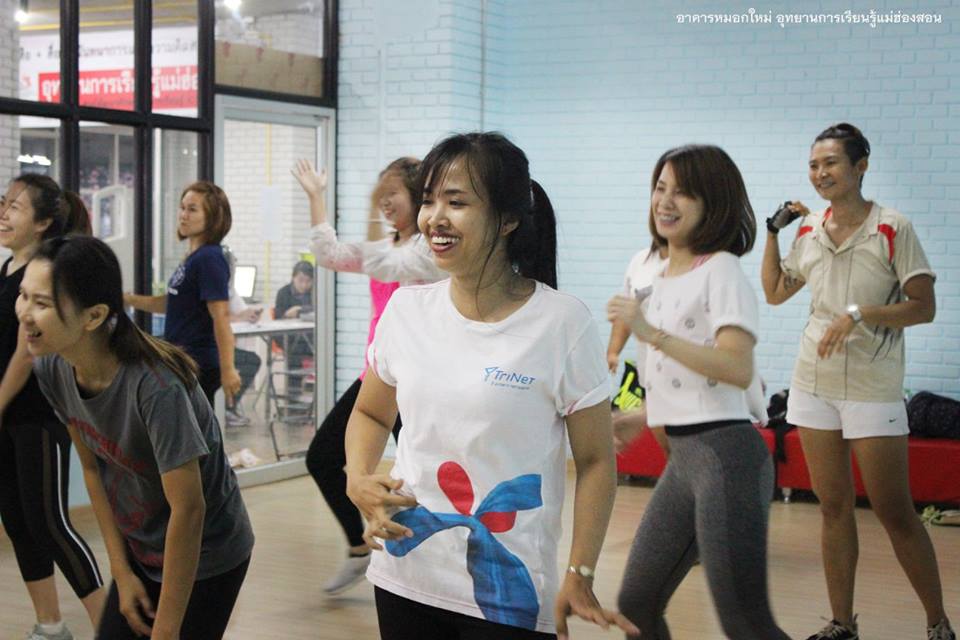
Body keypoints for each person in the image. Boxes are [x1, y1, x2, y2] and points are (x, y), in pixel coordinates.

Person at [345, 132, 638, 639]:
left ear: (507, 219)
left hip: (509, 589)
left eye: (456, 202)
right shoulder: (406, 310)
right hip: (406, 567)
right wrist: (357, 477)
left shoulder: (562, 324)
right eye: (429, 200)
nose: (434, 218)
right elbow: (371, 413)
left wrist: (581, 572)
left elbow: (595, 461)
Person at [761, 123, 954, 640]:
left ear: (860, 166)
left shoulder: (892, 228)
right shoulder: (809, 230)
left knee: (894, 511)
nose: (820, 173)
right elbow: (776, 291)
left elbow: (924, 307)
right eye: (813, 165)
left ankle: (938, 623)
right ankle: (842, 623)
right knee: (832, 507)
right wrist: (772, 233)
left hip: (872, 386)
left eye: (830, 163)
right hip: (813, 383)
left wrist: (860, 313)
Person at [18, 235, 255, 640]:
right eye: (24, 296)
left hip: (207, 555)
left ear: (93, 316)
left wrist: (166, 630)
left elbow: (189, 509)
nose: (24, 312)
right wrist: (122, 570)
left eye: (42, 303)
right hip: (141, 549)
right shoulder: (52, 368)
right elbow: (93, 469)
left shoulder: (156, 388)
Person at [608, 144, 789, 639]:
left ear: (713, 203)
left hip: (727, 458)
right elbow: (685, 381)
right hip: (686, 459)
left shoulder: (721, 269)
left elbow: (736, 367)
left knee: (745, 623)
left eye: (683, 192)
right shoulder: (658, 271)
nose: (665, 202)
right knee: (636, 606)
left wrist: (650, 333)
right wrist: (638, 416)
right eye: (660, 188)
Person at [294, 156, 446, 595]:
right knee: (322, 458)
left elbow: (386, 264)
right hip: (377, 378)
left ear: (416, 197)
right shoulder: (392, 246)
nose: (382, 202)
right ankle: (360, 547)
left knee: (427, 478)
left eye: (390, 193)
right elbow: (330, 255)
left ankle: (433, 567)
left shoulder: (426, 252)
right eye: (379, 195)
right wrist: (316, 196)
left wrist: (373, 225)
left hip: (417, 384)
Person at [0, 174, 105, 640]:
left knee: (50, 524)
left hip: (37, 416)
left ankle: (109, 627)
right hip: (8, 417)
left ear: (43, 223)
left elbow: (27, 353)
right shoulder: (8, 271)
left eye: (15, 206)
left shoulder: (44, 277)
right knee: (19, 522)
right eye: (4, 202)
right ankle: (50, 625)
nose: (4, 213)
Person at [124, 182, 241, 409]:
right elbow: (172, 303)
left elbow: (221, 317)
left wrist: (228, 369)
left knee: (193, 427)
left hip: (198, 362)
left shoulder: (209, 258)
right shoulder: (194, 257)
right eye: (182, 207)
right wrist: (128, 299)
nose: (183, 215)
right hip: (181, 359)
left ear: (212, 217)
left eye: (192, 209)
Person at [606, 239, 670, 457]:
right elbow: (626, 313)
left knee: (685, 455)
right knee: (672, 454)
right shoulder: (641, 261)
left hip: (687, 382)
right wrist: (613, 351)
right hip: (652, 379)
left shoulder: (705, 265)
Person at [223, 245, 262, 427]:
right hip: (211, 347)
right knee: (249, 361)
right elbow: (216, 317)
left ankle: (229, 407)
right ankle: (225, 408)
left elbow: (240, 311)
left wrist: (250, 314)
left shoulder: (229, 288)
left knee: (252, 360)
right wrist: (240, 317)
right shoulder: (212, 285)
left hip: (226, 345)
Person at [273, 260, 315, 398]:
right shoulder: (283, 293)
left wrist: (301, 310)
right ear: (293, 278)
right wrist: (286, 315)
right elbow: (278, 317)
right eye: (300, 280)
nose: (304, 285)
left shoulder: (315, 293)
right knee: (295, 353)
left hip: (309, 337)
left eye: (308, 281)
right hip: (289, 339)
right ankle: (293, 398)